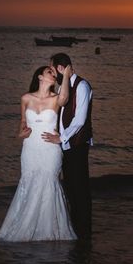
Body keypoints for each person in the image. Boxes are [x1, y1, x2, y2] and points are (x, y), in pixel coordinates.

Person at [0, 65, 76, 242]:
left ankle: (49, 232)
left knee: (49, 183)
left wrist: (66, 76)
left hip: (50, 149)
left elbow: (64, 98)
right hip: (30, 148)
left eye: (55, 74)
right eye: (50, 72)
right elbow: (22, 125)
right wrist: (20, 134)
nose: (53, 75)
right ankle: (24, 229)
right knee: (29, 182)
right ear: (40, 77)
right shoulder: (25, 98)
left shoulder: (56, 99)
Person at [42, 53, 93, 239]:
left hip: (77, 145)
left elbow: (79, 120)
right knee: (71, 187)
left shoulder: (82, 86)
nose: (53, 74)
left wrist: (61, 138)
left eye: (53, 69)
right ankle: (76, 227)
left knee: (80, 189)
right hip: (66, 146)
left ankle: (84, 232)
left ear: (62, 68)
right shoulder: (63, 88)